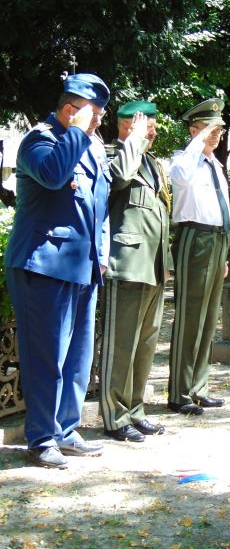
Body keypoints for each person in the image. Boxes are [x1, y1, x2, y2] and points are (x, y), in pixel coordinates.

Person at [5, 73, 111, 468]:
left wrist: (101, 252)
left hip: (82, 266)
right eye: (93, 114)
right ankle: (41, 437)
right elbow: (53, 175)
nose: (98, 122)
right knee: (45, 356)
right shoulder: (40, 141)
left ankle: (65, 429)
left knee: (78, 357)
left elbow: (99, 205)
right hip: (43, 265)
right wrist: (77, 132)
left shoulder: (89, 146)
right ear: (70, 110)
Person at [100, 100, 170, 442]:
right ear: (127, 126)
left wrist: (167, 263)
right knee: (121, 345)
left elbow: (161, 213)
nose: (152, 134)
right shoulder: (114, 155)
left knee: (145, 343)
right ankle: (115, 416)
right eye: (146, 127)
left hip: (153, 265)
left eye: (152, 128)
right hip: (126, 263)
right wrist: (135, 141)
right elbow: (119, 180)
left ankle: (135, 409)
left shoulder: (152, 162)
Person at [168, 98, 230, 416]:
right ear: (193, 131)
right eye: (209, 128)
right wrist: (198, 141)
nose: (215, 134)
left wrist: (224, 254)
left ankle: (199, 387)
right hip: (195, 239)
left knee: (207, 319)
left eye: (218, 129)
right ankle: (180, 392)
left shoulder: (215, 165)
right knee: (190, 316)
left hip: (217, 241)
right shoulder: (184, 161)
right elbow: (179, 176)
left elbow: (220, 209)